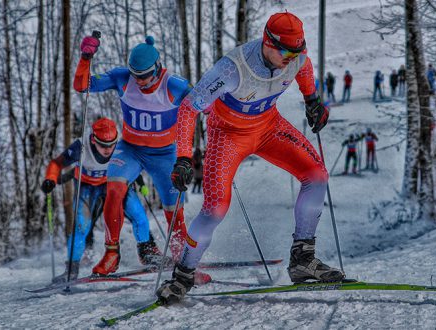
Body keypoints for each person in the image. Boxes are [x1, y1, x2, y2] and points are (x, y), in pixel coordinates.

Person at [157, 11, 345, 304]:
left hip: (270, 128)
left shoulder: (295, 58)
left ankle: (302, 259)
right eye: (285, 51)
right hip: (228, 135)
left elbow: (304, 68)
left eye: (297, 51)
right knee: (216, 207)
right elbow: (189, 108)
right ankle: (183, 275)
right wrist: (183, 157)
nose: (290, 58)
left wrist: (313, 100)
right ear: (267, 42)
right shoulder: (233, 69)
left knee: (317, 176)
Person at [73, 35, 207, 283]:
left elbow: (206, 104)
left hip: (165, 154)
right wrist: (85, 58)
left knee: (173, 210)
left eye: (145, 75)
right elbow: (82, 86)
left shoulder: (174, 85)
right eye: (136, 75)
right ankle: (111, 253)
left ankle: (183, 259)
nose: (140, 81)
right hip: (130, 149)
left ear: (157, 67)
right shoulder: (122, 78)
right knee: (113, 189)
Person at [41, 118, 159, 283]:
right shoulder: (80, 147)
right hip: (87, 188)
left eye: (112, 144)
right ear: (93, 139)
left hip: (115, 183)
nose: (108, 149)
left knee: (138, 214)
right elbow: (56, 163)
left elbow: (134, 166)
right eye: (103, 145)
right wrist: (51, 179)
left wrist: (140, 184)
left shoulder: (122, 147)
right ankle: (71, 270)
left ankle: (148, 254)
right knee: (81, 226)